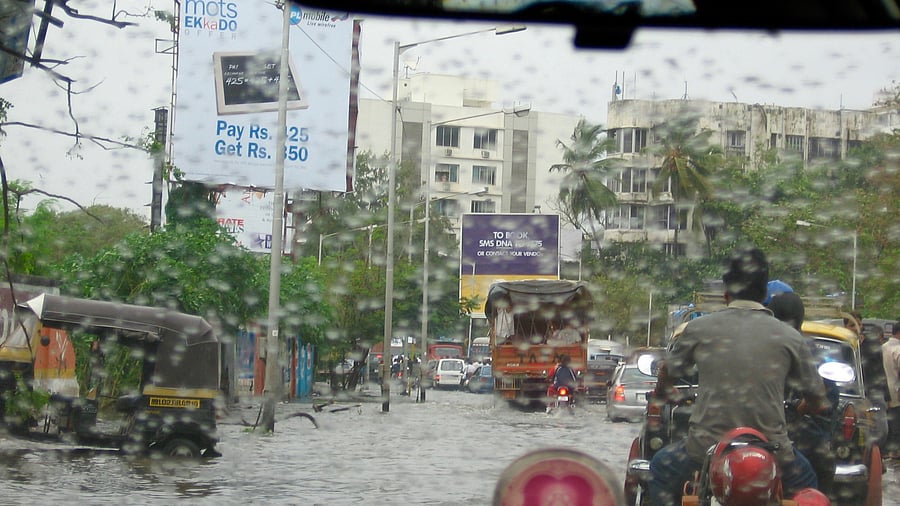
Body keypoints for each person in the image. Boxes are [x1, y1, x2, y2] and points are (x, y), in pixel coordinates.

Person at [649, 248, 826, 504]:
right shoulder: (790, 337)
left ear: (725, 291)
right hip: (774, 451)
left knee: (660, 468)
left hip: (705, 449)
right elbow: (818, 398)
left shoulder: (698, 328)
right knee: (808, 483)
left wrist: (663, 392)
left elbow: (668, 370)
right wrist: (805, 406)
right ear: (765, 293)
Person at [883, 321, 900, 459]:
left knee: (887, 420)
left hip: (883, 389)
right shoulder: (898, 349)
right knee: (896, 421)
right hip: (896, 390)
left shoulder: (882, 347)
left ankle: (886, 449)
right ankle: (894, 451)